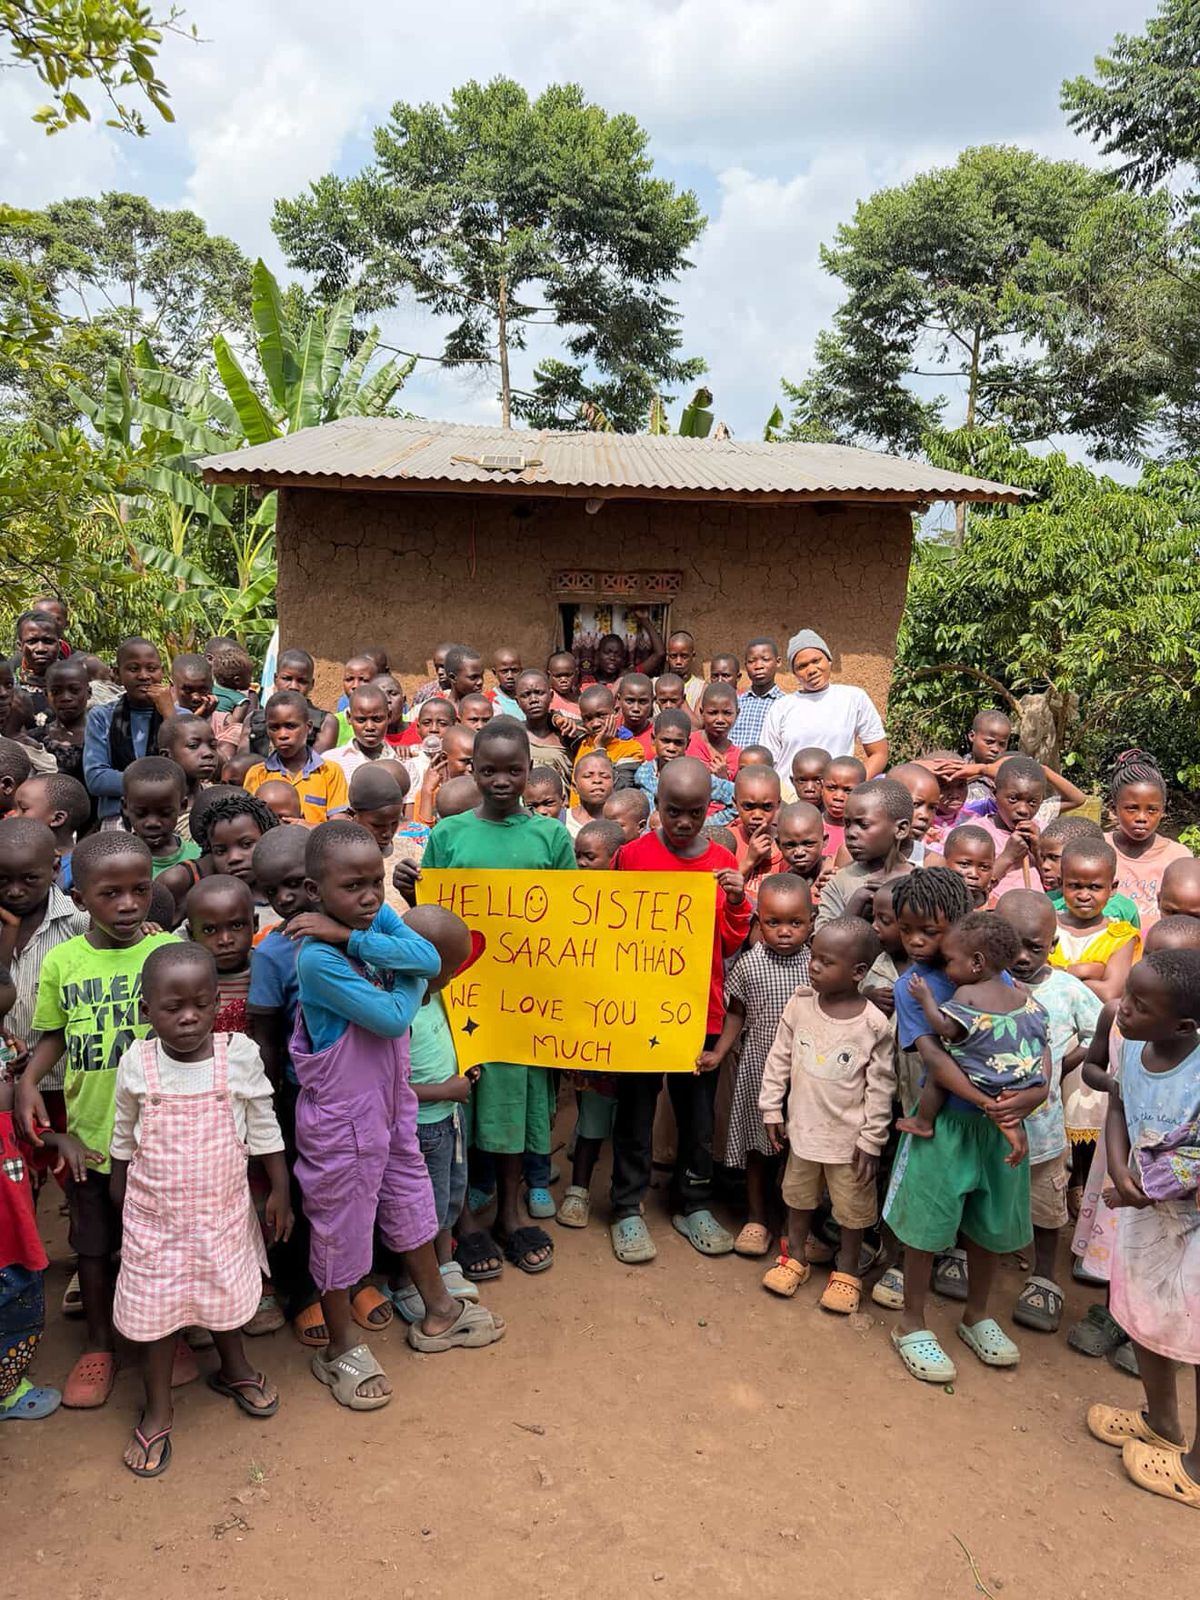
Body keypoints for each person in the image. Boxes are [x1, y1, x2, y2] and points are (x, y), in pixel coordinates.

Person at [292, 820, 504, 1408]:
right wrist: (416, 978)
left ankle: (438, 1311)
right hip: (341, 1123)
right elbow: (391, 1016)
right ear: (314, 892)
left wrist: (355, 937)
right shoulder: (314, 961)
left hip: (392, 1106)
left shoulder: (365, 922)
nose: (367, 897)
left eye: (372, 884)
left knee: (411, 1201)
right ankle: (340, 1347)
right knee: (341, 1232)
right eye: (350, 887)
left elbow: (426, 951)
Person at [398, 719, 575, 1276]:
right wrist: (416, 890)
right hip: (461, 998)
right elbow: (433, 920)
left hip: (527, 1000)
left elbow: (575, 918)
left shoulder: (551, 838)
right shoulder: (449, 835)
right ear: (470, 770)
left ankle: (510, 1211)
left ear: (531, 772)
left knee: (515, 1105)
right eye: (488, 770)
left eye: (513, 770)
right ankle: (466, 1224)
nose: (501, 780)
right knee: (464, 1105)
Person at [109, 943, 290, 1476]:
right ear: (147, 1011)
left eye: (201, 1005)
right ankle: (158, 1405)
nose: (188, 1017)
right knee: (158, 1313)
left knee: (225, 1293)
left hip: (221, 1214)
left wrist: (279, 1188)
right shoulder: (137, 1063)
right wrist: (122, 1194)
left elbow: (263, 1123)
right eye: (172, 1008)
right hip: (154, 1219)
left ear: (217, 1004)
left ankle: (234, 1368)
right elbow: (123, 1135)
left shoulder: (238, 1056)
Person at [15, 832, 175, 1409]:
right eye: (111, 894)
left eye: (140, 890)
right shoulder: (63, 960)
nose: (129, 905)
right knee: (93, 1245)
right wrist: (29, 1082)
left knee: (154, 1243)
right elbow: (54, 1034)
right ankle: (101, 1344)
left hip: (159, 1139)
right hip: (90, 1134)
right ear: (80, 898)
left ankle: (161, 1331)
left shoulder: (164, 953)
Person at [883, 869, 1047, 1384]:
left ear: (962, 928)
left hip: (1002, 1129)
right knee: (925, 1226)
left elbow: (1037, 1046)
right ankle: (912, 1321)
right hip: (948, 1126)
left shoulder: (1001, 977)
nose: (915, 941)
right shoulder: (917, 987)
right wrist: (987, 1100)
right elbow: (935, 1059)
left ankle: (978, 1314)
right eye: (906, 928)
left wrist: (1028, 1099)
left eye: (929, 932)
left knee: (991, 1227)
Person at [607, 757, 752, 1263]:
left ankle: (693, 1203)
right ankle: (627, 1208)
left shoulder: (721, 864)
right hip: (641, 1010)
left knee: (697, 1116)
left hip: (701, 1013)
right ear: (656, 806)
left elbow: (731, 943)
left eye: (694, 812)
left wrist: (736, 902)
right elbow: (612, 929)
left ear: (709, 808)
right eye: (674, 811)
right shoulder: (632, 856)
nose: (685, 822)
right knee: (636, 1110)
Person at [1086, 948, 1200, 1512]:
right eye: (1126, 994)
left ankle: (1198, 1470)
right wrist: (1118, 1164)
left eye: (1138, 1004)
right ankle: (1162, 1422)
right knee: (1142, 1310)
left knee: (1199, 1340)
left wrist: (1147, 1185)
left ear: (1183, 1025)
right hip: (1145, 1209)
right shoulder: (1130, 1043)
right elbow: (1118, 1105)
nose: (1122, 1009)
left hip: (1192, 1217)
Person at [758, 917, 893, 1313]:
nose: (813, 966)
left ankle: (847, 1271)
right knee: (798, 1198)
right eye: (813, 957)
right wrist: (771, 1107)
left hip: (849, 1143)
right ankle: (796, 1258)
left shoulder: (873, 1024)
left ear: (857, 973)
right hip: (802, 1132)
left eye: (826, 962)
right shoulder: (800, 1005)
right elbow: (778, 1059)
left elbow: (881, 1088)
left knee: (852, 1211)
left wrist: (871, 1141)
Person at [996, 889, 1101, 1334]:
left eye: (1034, 947)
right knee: (982, 1191)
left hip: (1042, 1129)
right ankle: (962, 1253)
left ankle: (1045, 1277)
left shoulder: (1067, 991)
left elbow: (1101, 1030)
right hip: (988, 1127)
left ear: (1053, 946)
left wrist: (1060, 1066)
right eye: (1010, 944)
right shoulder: (982, 984)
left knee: (1045, 1206)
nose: (1021, 956)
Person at [700, 875, 813, 1257]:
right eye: (773, 923)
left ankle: (792, 1225)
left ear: (811, 922)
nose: (784, 932)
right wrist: (718, 1052)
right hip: (759, 1067)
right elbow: (736, 1013)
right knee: (757, 1147)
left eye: (795, 923)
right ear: (758, 922)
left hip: (807, 1073)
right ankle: (756, 1219)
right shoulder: (749, 965)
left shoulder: (817, 965)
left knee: (799, 1151)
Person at [381, 904, 480, 1319]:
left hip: (447, 1118)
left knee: (448, 1198)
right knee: (419, 1208)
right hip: (419, 1128)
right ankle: (408, 1283)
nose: (456, 975)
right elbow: (389, 1088)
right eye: (451, 967)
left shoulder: (432, 995)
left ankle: (444, 1264)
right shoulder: (396, 1014)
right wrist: (445, 1088)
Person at [245, 827, 322, 1347]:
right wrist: (270, 1102)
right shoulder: (272, 953)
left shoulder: (352, 935)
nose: (287, 899)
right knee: (296, 1192)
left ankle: (354, 1278)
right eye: (274, 891)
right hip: (300, 1094)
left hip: (355, 1090)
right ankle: (303, 1292)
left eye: (298, 884)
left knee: (343, 1191)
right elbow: (266, 1036)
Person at [895, 911, 1049, 1163]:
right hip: (1022, 1082)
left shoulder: (966, 993)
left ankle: (923, 1122)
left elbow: (946, 1028)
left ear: (977, 963)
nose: (946, 970)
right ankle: (1014, 1132)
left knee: (937, 1073)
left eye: (950, 961)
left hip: (983, 1082)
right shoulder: (1021, 994)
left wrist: (925, 999)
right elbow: (1041, 1036)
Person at [0, 976, 66, 1421]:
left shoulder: (9, 1059)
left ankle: (6, 1388)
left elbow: (28, 1136)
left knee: (17, 1309)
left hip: (14, 1238)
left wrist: (59, 1139)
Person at [555, 821, 628, 1226]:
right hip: (589, 1031)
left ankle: (624, 1197)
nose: (579, 864)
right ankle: (578, 1189)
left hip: (631, 1029)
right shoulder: (569, 899)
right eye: (576, 856)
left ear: (617, 858)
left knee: (630, 1120)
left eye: (589, 857)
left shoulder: (639, 902)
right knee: (592, 1115)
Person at [0, 818, 89, 1144]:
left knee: (65, 1159)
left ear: (55, 868)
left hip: (63, 1083)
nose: (14, 890)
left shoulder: (79, 924)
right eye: (2, 880)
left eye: (29, 879)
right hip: (3, 1086)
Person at [762, 629, 888, 779]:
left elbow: (879, 753)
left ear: (829, 660)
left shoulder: (853, 698)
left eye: (816, 661)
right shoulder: (781, 707)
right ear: (794, 673)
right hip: (789, 797)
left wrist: (852, 786)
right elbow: (766, 762)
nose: (811, 670)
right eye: (802, 666)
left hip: (836, 797)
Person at [1104, 750, 1192, 933]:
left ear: (1163, 810)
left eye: (1152, 810)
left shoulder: (1178, 856)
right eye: (1132, 808)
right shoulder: (1100, 848)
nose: (1142, 818)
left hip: (1162, 953)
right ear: (1114, 807)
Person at [82, 638, 165, 823]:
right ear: (117, 674)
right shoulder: (102, 716)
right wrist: (161, 783)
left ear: (162, 672)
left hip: (171, 816)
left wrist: (170, 715)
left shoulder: (177, 716)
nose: (144, 676)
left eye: (152, 668)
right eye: (134, 669)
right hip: (117, 816)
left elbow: (187, 770)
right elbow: (97, 778)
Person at [1049, 837, 1140, 1003]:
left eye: (1095, 887)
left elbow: (1110, 993)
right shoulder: (1046, 926)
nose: (1084, 896)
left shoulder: (1121, 937)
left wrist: (1055, 973)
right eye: (1075, 886)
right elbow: (1027, 977)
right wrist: (1082, 971)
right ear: (1061, 884)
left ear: (1112, 888)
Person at [816, 779, 913, 928]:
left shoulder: (920, 884)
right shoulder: (838, 883)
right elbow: (821, 945)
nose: (851, 833)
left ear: (900, 829)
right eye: (847, 824)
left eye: (863, 825)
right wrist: (857, 903)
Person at [244, 692, 349, 824]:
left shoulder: (330, 772)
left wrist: (309, 828)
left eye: (291, 726)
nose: (282, 735)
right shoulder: (258, 774)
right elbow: (250, 823)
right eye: (274, 727)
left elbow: (338, 825)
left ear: (308, 728)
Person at [635, 710, 735, 822]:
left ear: (687, 743)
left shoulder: (696, 776)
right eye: (665, 741)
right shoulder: (643, 773)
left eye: (678, 743)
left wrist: (705, 825)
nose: (671, 748)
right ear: (653, 739)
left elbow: (737, 797)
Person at [1039, 816, 1140, 925]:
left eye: (1054, 857)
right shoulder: (1046, 904)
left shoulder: (1123, 908)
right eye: (1043, 858)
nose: (1045, 865)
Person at [245, 649, 338, 758]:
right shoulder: (253, 719)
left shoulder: (325, 722)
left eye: (302, 681)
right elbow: (243, 760)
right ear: (276, 679)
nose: (293, 686)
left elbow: (316, 763)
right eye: (287, 679)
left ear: (311, 684)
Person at [121, 756, 201, 878]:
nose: (153, 823)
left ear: (182, 806)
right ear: (125, 807)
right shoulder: (117, 862)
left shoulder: (197, 857)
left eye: (165, 813)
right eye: (141, 814)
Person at [12, 773, 89, 890]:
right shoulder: (13, 858)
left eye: (23, 809)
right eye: (14, 809)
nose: (14, 816)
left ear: (57, 819)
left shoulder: (77, 873)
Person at [571, 685, 643, 797]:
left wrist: (600, 748)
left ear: (616, 712)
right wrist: (556, 719)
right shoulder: (582, 741)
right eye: (588, 719)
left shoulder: (631, 749)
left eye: (602, 716)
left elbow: (621, 787)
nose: (595, 724)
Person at [727, 766, 785, 897]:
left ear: (778, 804)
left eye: (767, 807)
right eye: (749, 806)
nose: (757, 815)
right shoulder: (727, 840)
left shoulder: (786, 843)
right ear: (735, 804)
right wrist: (749, 861)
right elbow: (719, 894)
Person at [158, 715, 219, 836]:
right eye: (193, 746)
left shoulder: (219, 799)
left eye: (213, 746)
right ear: (166, 755)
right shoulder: (155, 806)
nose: (208, 753)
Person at [38, 656, 91, 788]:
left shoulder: (104, 736)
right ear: (46, 695)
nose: (66, 698)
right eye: (56, 692)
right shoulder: (36, 739)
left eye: (74, 690)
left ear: (89, 692)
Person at [515, 669, 573, 787]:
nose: (534, 700)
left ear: (551, 696)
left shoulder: (568, 732)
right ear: (517, 701)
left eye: (539, 693)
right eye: (526, 695)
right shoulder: (514, 736)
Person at [325, 685, 391, 782]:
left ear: (389, 716)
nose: (369, 727)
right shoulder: (331, 761)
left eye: (377, 719)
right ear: (349, 718)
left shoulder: (403, 760)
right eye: (361, 720)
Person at [731, 638, 783, 748]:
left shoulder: (784, 704)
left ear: (778, 662)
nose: (758, 666)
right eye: (751, 661)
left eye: (765, 659)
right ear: (745, 665)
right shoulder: (736, 702)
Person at [11, 609, 61, 723]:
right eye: (32, 641)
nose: (41, 649)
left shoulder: (77, 680)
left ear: (59, 644)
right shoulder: (7, 683)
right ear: (20, 645)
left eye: (48, 641)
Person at [776, 801, 827, 903]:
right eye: (790, 845)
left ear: (824, 841)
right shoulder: (781, 885)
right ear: (778, 844)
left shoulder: (834, 875)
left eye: (808, 844)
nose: (799, 853)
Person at [936, 823, 995, 909]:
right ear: (944, 861)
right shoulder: (931, 904)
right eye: (964, 864)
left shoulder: (994, 908)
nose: (974, 875)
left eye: (984, 867)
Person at [818, 755, 865, 862]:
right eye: (831, 788)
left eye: (848, 791)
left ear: (862, 790)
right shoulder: (810, 827)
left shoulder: (866, 833)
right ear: (821, 786)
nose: (838, 797)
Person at [694, 682, 740, 781]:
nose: (720, 720)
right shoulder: (687, 743)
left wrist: (723, 779)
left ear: (737, 713)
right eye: (713, 713)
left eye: (727, 713)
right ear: (702, 713)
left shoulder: (739, 757)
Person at [567, 751, 613, 839]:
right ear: (574, 787)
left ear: (613, 784)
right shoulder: (561, 821)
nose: (597, 780)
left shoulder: (620, 823)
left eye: (604, 776)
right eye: (588, 776)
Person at [662, 630, 706, 711]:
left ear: (693, 656)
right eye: (673, 656)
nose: (678, 661)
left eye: (684, 656)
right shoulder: (656, 685)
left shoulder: (701, 688)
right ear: (667, 657)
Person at [411, 642, 459, 709]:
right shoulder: (426, 692)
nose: (439, 672)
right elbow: (412, 716)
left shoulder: (465, 692)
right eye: (436, 667)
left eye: (443, 666)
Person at [488, 646, 525, 720]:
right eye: (504, 671)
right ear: (495, 673)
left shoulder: (528, 697)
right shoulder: (490, 701)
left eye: (514, 670)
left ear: (521, 671)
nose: (510, 676)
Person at [547, 651, 582, 720]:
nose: (563, 680)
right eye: (558, 676)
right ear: (549, 675)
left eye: (568, 675)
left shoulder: (582, 697)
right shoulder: (549, 699)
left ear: (576, 673)